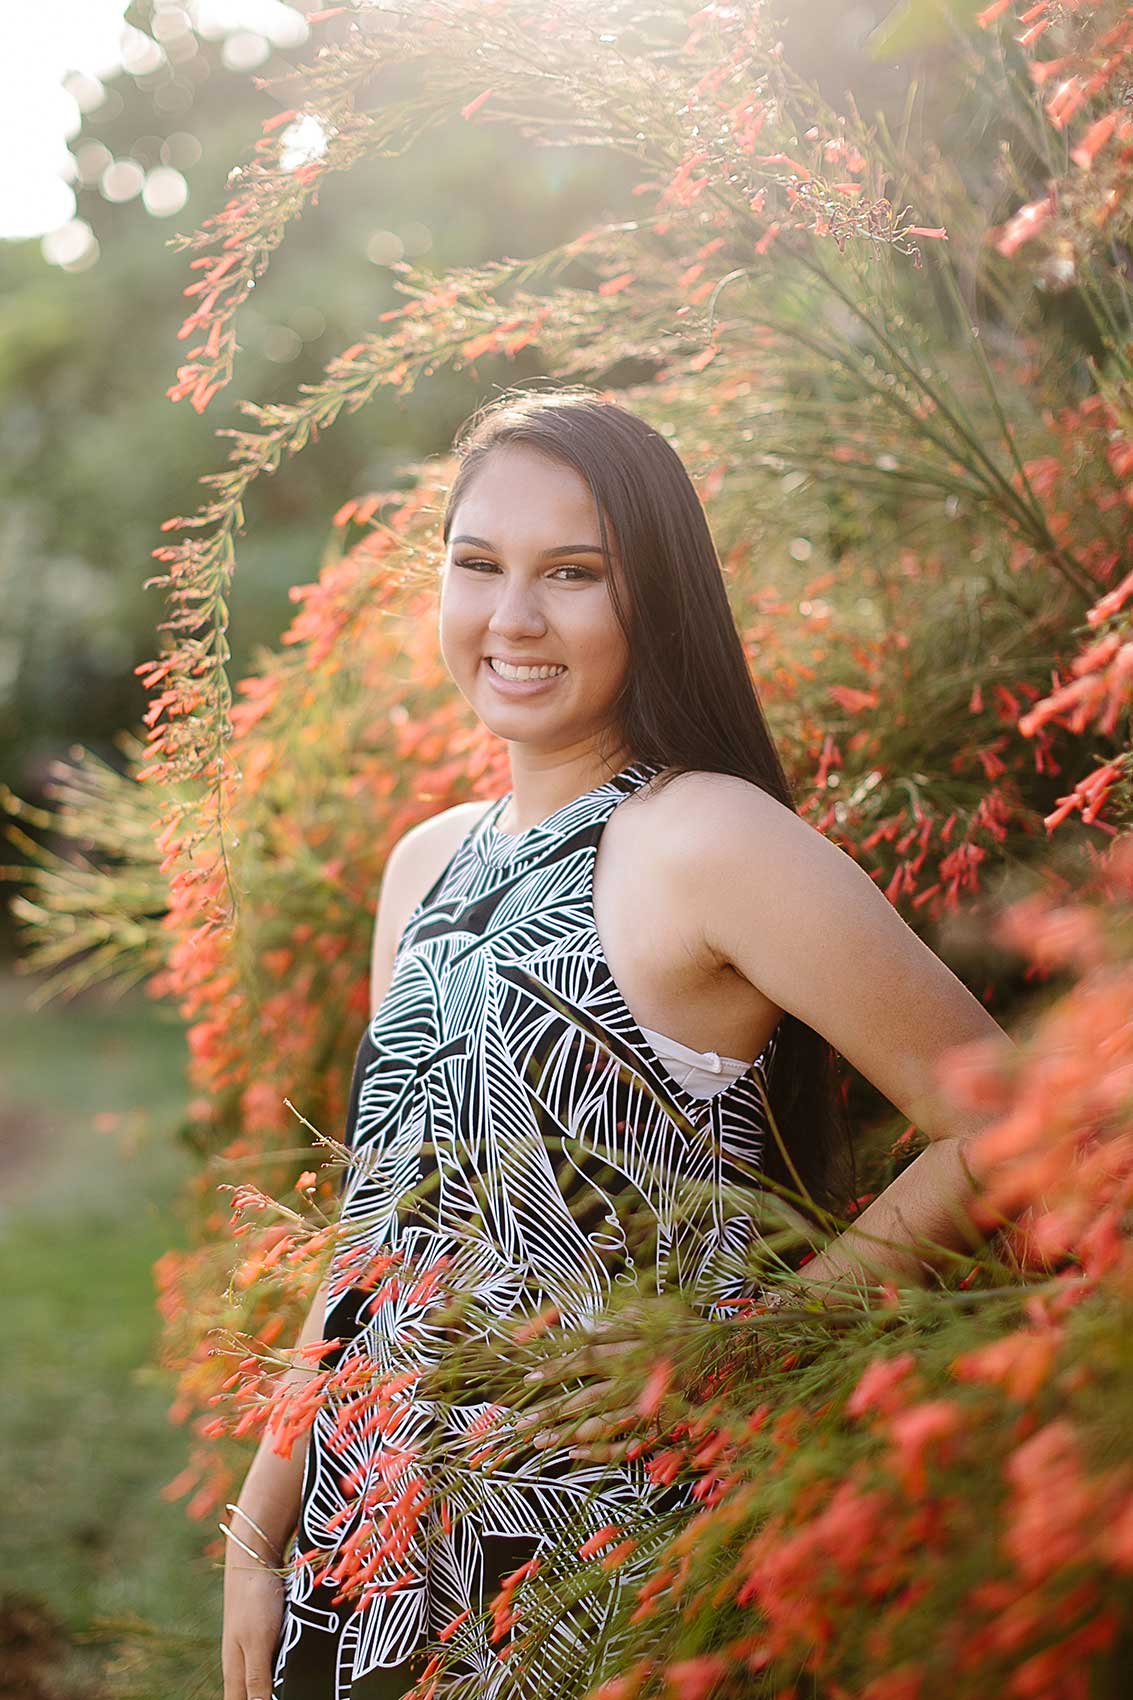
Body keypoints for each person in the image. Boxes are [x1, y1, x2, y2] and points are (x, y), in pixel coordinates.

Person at [221, 388, 1012, 1700]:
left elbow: (1004, 1113)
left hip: (597, 1571)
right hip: (365, 1553)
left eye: (571, 575)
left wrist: (753, 1346)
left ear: (654, 598)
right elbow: (381, 1234)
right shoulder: (426, 863)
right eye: (476, 566)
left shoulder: (704, 836)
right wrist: (260, 1530)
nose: (511, 617)